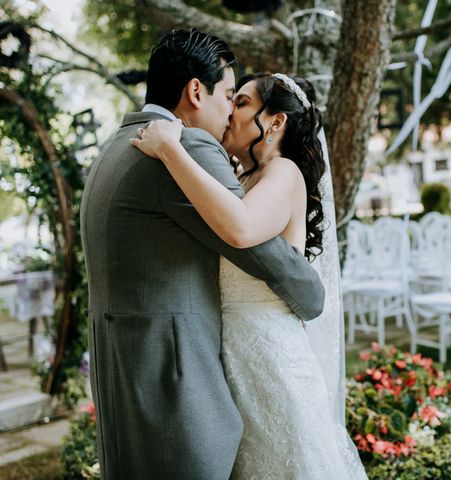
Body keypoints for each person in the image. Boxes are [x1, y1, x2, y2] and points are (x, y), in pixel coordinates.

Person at [79, 30, 325, 480]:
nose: (231, 109)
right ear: (196, 90)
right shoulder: (184, 147)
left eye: (241, 101)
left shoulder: (115, 146)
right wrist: (313, 294)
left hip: (128, 377)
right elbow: (254, 247)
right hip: (175, 386)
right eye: (230, 95)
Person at [131, 72, 368, 479]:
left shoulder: (285, 172)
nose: (229, 111)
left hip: (272, 358)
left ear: (275, 122)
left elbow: (240, 228)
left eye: (240, 103)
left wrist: (172, 150)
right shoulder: (241, 178)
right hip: (233, 357)